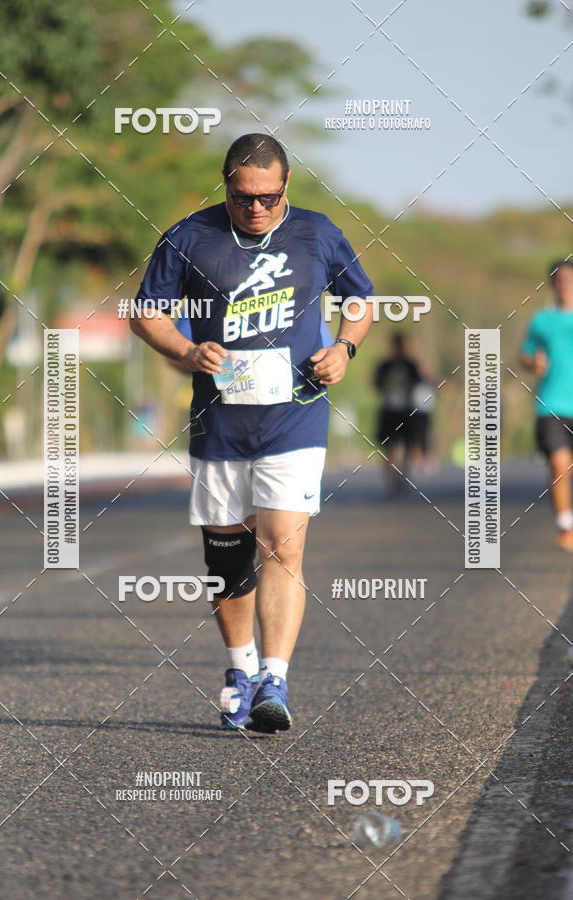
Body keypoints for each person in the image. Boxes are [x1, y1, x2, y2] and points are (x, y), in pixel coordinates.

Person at [131, 133, 373, 732]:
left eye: (268, 197)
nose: (258, 209)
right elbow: (145, 312)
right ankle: (238, 671)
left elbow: (360, 300)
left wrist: (343, 348)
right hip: (220, 423)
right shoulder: (190, 236)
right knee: (228, 559)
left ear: (286, 185)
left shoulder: (317, 232)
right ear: (227, 186)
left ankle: (274, 679)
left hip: (296, 414)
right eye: (245, 199)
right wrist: (187, 350)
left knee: (283, 548)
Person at [521, 259, 573, 551]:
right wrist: (533, 362)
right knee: (559, 464)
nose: (564, 284)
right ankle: (565, 526)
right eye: (559, 279)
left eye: (569, 278)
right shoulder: (542, 320)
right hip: (551, 404)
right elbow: (526, 355)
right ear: (552, 284)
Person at [373, 332, 423, 493]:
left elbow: (418, 382)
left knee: (408, 445)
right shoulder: (385, 365)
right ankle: (391, 479)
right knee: (390, 446)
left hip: (406, 410)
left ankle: (404, 476)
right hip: (388, 410)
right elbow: (376, 384)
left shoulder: (410, 365)